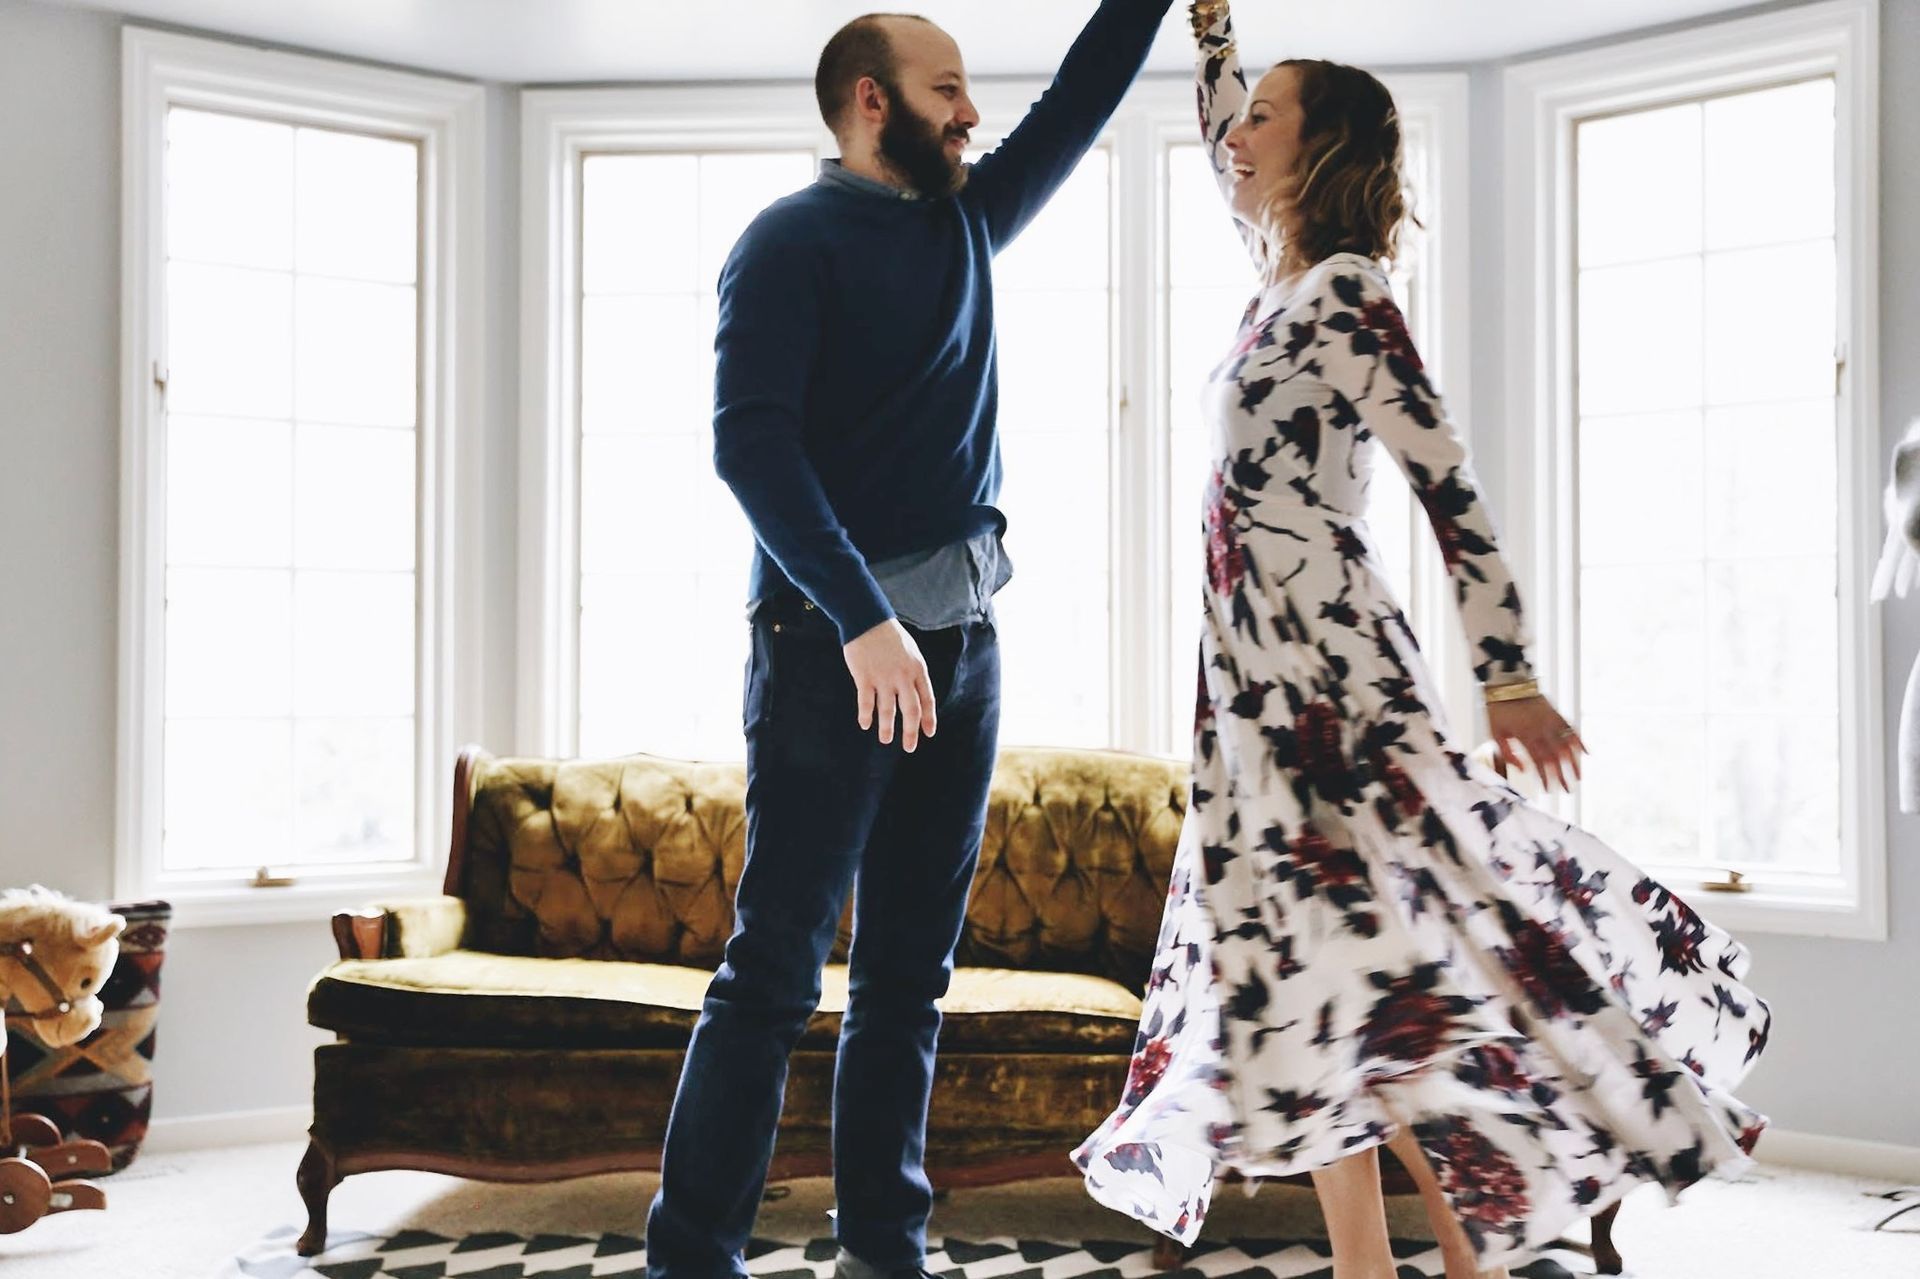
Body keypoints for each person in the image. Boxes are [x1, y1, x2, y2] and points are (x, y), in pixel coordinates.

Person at [1073, 4, 1773, 1278]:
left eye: (1264, 115)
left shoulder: (1347, 295)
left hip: (1332, 682)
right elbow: (1215, 123)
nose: (1238, 131)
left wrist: (1507, 676)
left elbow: (1447, 486)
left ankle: (1450, 1256)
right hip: (1244, 695)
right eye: (1243, 113)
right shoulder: (1272, 280)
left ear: (1322, 146)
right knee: (1305, 986)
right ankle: (1382, 1266)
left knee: (1390, 971)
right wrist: (1212, 31)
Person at [643, 5, 1175, 1279]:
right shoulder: (785, 240)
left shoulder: (965, 224)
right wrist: (861, 619)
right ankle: (689, 1259)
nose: (972, 112)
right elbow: (749, 446)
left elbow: (1076, 103)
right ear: (872, 101)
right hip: (832, 655)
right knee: (773, 974)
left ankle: (887, 1249)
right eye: (946, 89)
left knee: (906, 982)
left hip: (965, 650)